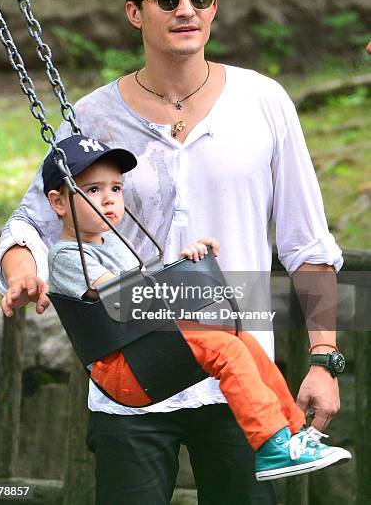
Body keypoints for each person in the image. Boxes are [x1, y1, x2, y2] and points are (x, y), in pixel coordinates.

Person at [0, 0, 345, 505]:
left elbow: (308, 245)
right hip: (133, 381)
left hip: (240, 387)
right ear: (135, 12)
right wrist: (18, 267)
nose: (187, 10)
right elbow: (29, 221)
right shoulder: (92, 117)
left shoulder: (264, 102)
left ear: (214, 6)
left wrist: (324, 359)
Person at [44, 134, 350, 483]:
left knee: (240, 340)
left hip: (144, 348)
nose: (109, 199)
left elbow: (146, 288)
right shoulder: (66, 256)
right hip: (122, 366)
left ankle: (293, 434)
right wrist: (176, 277)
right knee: (225, 349)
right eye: (93, 190)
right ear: (59, 202)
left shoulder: (113, 241)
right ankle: (270, 444)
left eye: (116, 188)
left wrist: (184, 260)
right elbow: (126, 300)